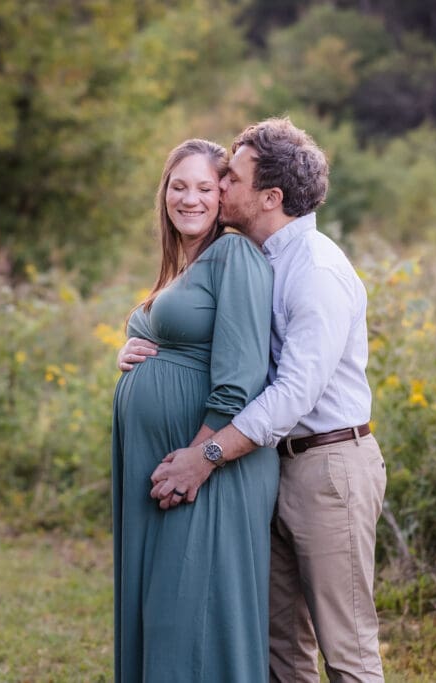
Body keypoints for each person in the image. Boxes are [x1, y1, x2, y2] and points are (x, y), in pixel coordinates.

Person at [127, 118, 387, 683]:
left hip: (328, 467)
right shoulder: (258, 257)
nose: (218, 188)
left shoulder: (314, 270)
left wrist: (208, 454)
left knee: (348, 650)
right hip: (271, 467)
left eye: (231, 179)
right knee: (282, 650)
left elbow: (294, 391)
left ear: (270, 198)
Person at [111, 138, 279, 682]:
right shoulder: (185, 265)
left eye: (205, 187)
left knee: (193, 618)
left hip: (208, 465)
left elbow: (242, 376)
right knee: (165, 613)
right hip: (172, 462)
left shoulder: (235, 254)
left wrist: (197, 456)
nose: (190, 199)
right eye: (178, 186)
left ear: (224, 194)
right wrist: (128, 349)